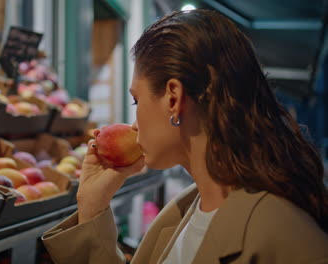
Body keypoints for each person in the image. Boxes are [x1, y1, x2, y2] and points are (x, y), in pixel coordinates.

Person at [42, 9, 328, 264]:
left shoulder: (289, 240)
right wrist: (92, 207)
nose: (134, 124)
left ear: (173, 99)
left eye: (136, 101)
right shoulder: (188, 211)